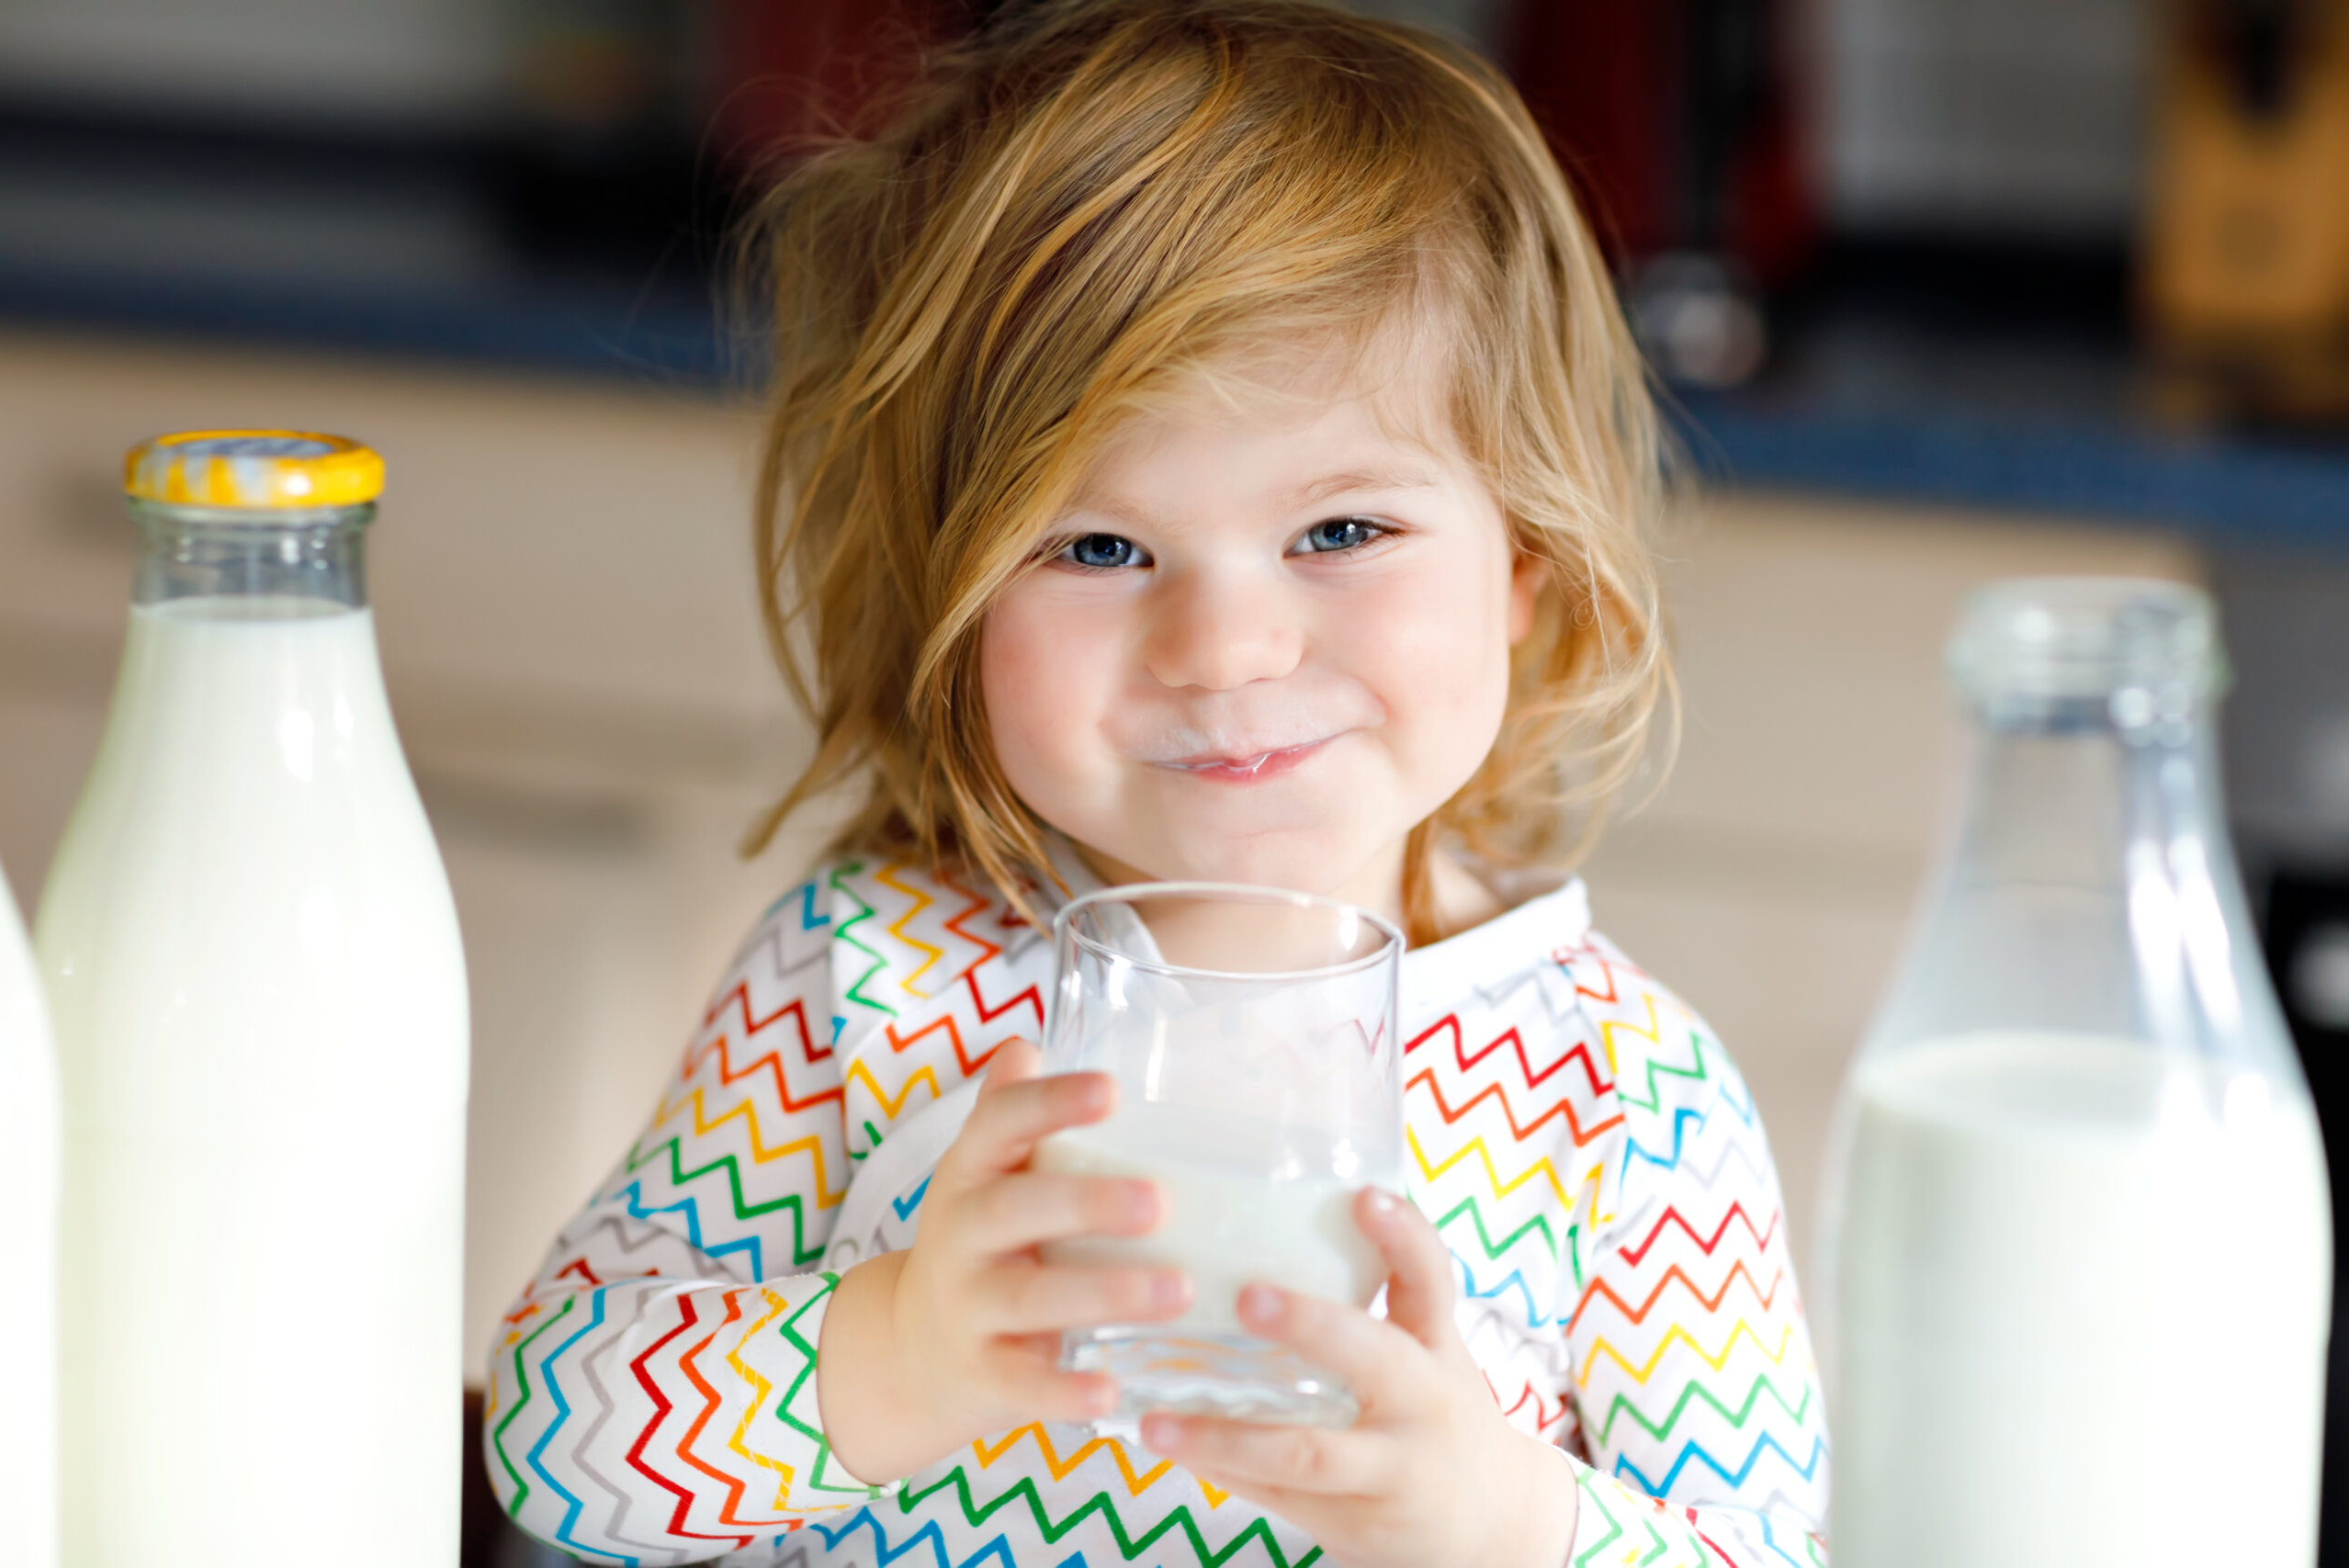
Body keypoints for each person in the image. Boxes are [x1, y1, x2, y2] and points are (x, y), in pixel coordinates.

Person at [483, 3, 1830, 1563]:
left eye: (1340, 533)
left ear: (1523, 566)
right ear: (952, 599)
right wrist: (895, 1356)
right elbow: (559, 1444)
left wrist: (1498, 1518)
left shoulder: (1620, 1094)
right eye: (1099, 547)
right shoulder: (867, 978)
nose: (1227, 646)